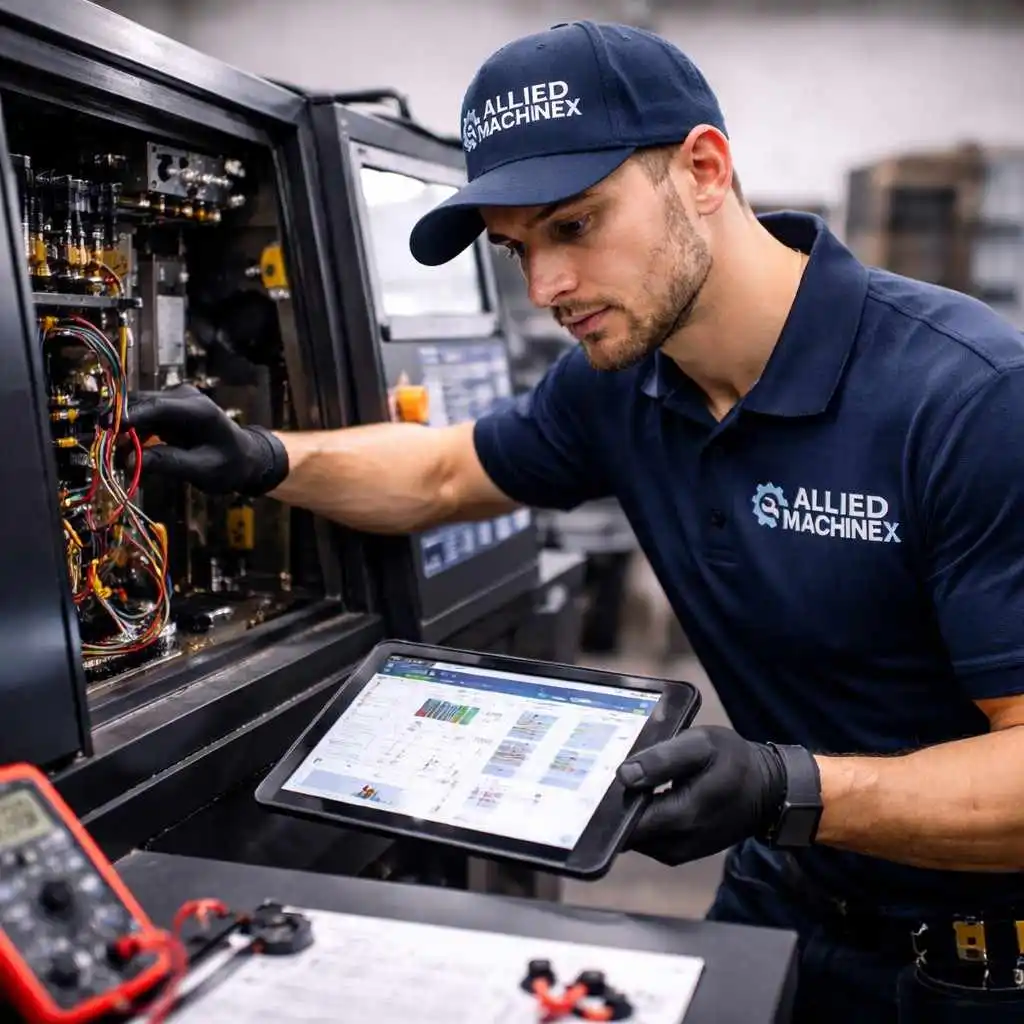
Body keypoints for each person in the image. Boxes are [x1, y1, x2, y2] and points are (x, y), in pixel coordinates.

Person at [124, 21, 1024, 1023]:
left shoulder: (968, 400)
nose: (545, 288)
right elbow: (445, 471)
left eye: (574, 225)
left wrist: (786, 785)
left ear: (703, 170)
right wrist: (264, 458)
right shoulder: (622, 382)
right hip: (787, 887)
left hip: (973, 959)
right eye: (518, 249)